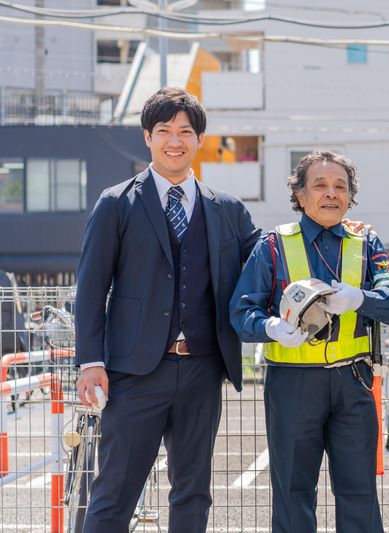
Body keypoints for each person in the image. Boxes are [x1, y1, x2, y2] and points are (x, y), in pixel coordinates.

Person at [74, 87, 261, 532]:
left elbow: (266, 260)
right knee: (114, 492)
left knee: (193, 492)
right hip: (134, 373)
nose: (174, 141)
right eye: (164, 131)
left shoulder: (228, 209)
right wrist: (91, 361)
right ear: (147, 137)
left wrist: (323, 229)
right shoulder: (116, 203)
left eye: (185, 132)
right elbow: (91, 287)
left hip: (201, 370)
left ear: (200, 140)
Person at [230, 150, 389, 533]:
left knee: (360, 495)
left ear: (350, 195)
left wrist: (361, 298)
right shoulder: (273, 245)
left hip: (354, 383)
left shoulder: (367, 242)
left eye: (340, 186)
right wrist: (271, 327)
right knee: (292, 495)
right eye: (320, 185)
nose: (331, 193)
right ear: (300, 195)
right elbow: (241, 313)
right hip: (292, 384)